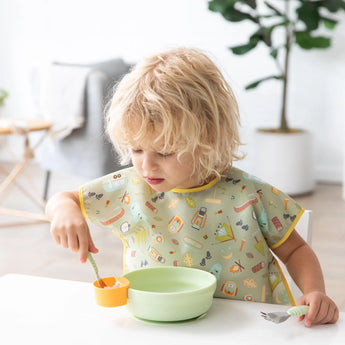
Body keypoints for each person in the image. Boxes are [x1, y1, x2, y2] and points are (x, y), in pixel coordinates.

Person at [46, 47, 338, 326]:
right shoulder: (130, 188)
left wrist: (315, 292)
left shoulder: (248, 195)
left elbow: (295, 250)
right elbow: (65, 198)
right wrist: (63, 210)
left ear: (208, 139)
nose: (147, 166)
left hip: (248, 326)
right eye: (136, 150)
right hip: (159, 322)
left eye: (164, 152)